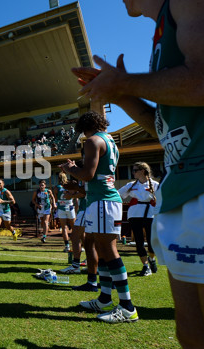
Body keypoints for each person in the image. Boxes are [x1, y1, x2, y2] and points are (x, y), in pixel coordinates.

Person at [72, 0, 204, 342]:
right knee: (194, 338)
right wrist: (122, 93)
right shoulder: (166, 22)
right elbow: (165, 126)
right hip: (188, 193)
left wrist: (125, 85)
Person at [61, 111, 137, 323]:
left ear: (85, 127)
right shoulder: (109, 139)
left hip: (104, 200)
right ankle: (104, 299)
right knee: (102, 250)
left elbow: (88, 175)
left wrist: (71, 168)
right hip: (100, 200)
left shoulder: (92, 141)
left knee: (109, 250)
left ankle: (127, 307)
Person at [118, 162, 159, 277]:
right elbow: (117, 194)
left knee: (151, 242)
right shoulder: (131, 185)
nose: (133, 172)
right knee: (139, 241)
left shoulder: (155, 184)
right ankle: (146, 266)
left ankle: (152, 259)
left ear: (143, 171)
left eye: (135, 170)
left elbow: (162, 198)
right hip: (135, 213)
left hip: (150, 213)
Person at [0, 177, 18, 250]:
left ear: (3, 184)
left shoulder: (6, 191)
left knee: (7, 226)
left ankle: (13, 232)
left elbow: (13, 201)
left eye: (0, 183)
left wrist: (3, 201)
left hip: (6, 211)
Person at [54, 172, 76, 252]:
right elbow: (74, 195)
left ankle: (67, 246)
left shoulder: (56, 187)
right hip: (70, 207)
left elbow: (56, 199)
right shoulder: (69, 186)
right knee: (74, 227)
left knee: (64, 227)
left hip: (61, 208)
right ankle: (77, 244)